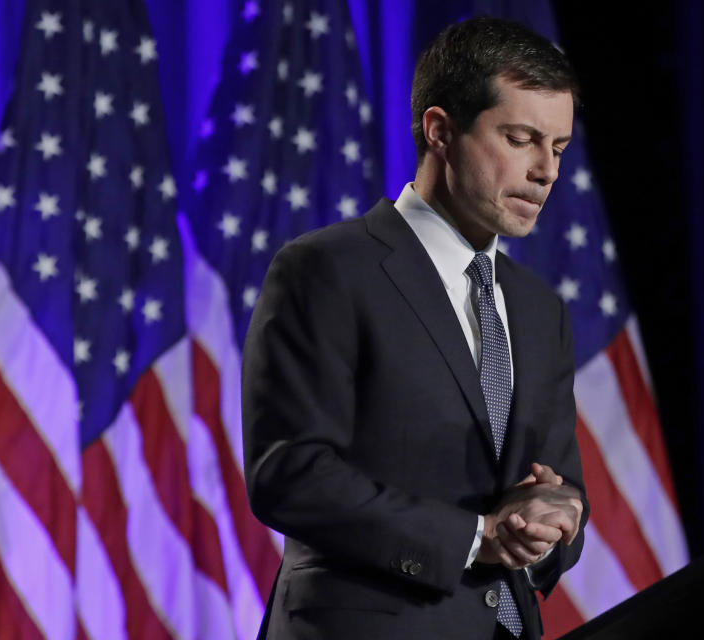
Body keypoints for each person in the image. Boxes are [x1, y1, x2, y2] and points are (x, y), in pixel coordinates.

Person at [242, 16, 588, 640]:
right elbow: (289, 472)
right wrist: (474, 538)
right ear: (440, 131)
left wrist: (556, 520)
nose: (546, 171)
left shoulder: (541, 310)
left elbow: (559, 486)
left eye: (558, 148)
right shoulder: (327, 269)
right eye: (520, 139)